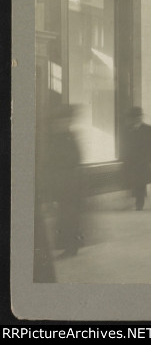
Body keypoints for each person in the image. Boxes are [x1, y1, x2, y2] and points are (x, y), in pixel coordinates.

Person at [46, 105, 85, 256]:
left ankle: (72, 247)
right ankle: (71, 246)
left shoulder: (67, 137)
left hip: (69, 183)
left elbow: (74, 159)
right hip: (64, 183)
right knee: (66, 216)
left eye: (66, 121)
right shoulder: (61, 137)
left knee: (69, 216)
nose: (61, 124)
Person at [122, 106, 151, 211]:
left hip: (143, 162)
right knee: (135, 181)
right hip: (132, 162)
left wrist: (148, 159)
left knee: (141, 183)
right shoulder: (127, 130)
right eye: (134, 117)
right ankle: (138, 201)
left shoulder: (148, 130)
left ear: (141, 117)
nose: (136, 119)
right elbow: (124, 146)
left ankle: (140, 203)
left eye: (138, 117)